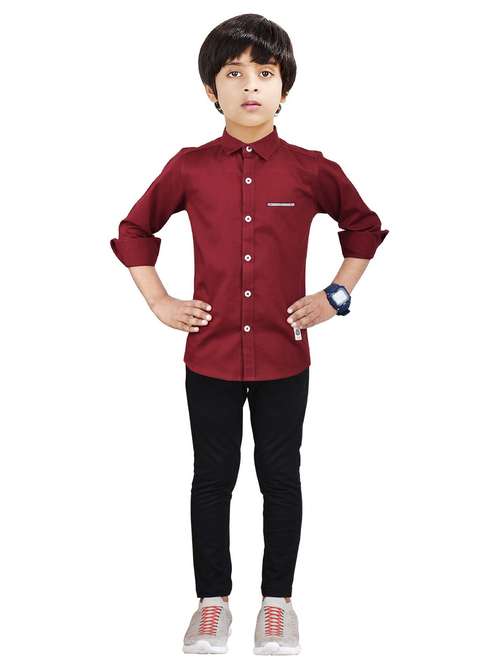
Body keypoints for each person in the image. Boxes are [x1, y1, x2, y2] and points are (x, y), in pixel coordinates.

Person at [110, 13, 389, 656]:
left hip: (285, 355)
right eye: (233, 73)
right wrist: (159, 301)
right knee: (212, 477)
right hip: (208, 356)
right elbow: (134, 232)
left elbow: (363, 229)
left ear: (284, 87)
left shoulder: (311, 169)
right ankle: (212, 604)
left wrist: (335, 295)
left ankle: (277, 604)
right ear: (211, 89)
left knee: (280, 477)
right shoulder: (189, 167)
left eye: (264, 72)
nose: (250, 85)